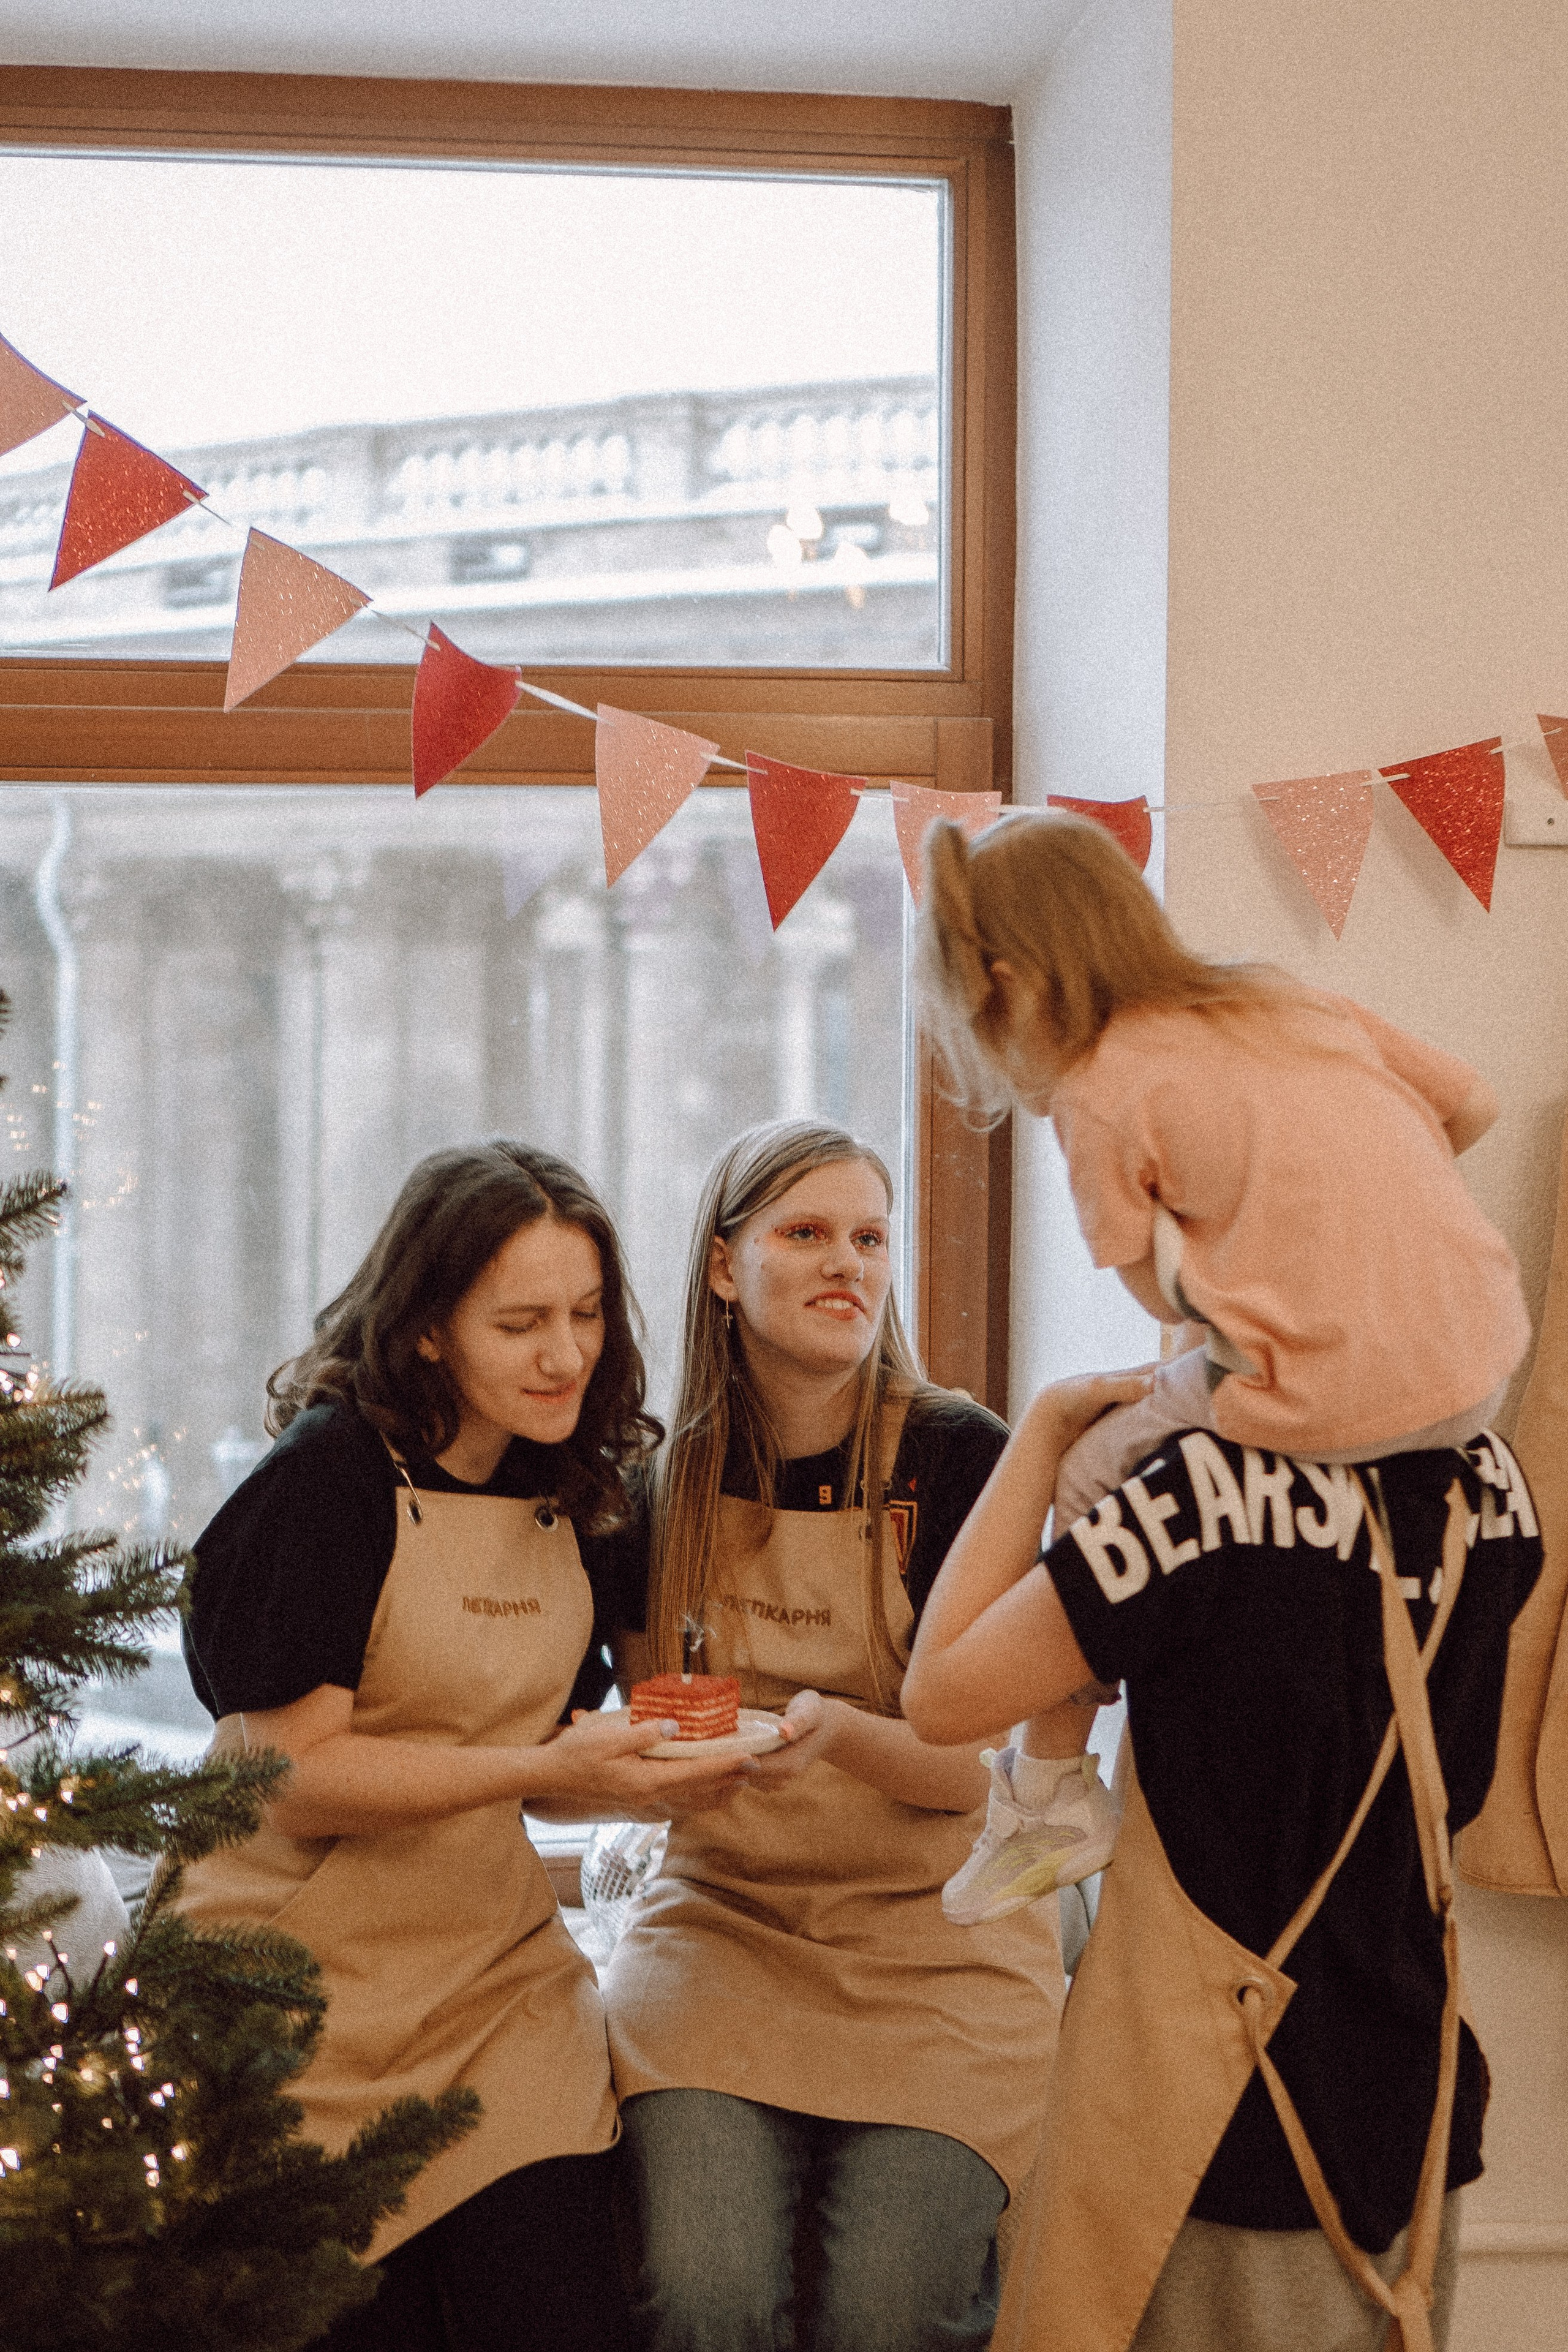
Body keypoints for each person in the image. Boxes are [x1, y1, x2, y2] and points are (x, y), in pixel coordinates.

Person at [913, 807, 1532, 1923]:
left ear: (1009, 984)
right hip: (1481, 1370)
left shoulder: (1103, 1086)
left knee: (1095, 1460)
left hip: (1322, 1404)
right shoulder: (1286, 998)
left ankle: (1051, 1785)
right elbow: (1473, 1106)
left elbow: (1166, 1298)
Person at [174, 1143, 745, 2352]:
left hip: (495, 1994)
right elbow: (296, 1782)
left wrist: (667, 1765)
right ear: (429, 1327)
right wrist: (545, 1771)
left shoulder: (578, 1494)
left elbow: (534, 1743)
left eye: (586, 1315)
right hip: (293, 1995)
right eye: (521, 1321)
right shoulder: (325, 1482)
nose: (565, 1355)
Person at [601, 1120, 1072, 2352]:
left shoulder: (962, 1457)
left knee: (884, 2315)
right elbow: (647, 1737)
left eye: (868, 1238)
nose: (845, 1265)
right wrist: (650, 1769)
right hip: (722, 1930)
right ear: (721, 1268)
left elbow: (999, 1780)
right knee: (702, 2292)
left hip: (946, 1949)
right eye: (803, 1234)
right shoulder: (647, 1489)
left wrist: (838, 1735)